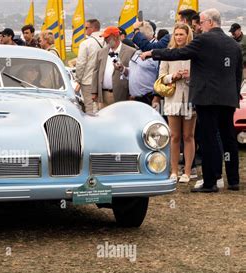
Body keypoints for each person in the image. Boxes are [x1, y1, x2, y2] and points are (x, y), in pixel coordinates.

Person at [142, 9, 242, 192]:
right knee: (228, 139)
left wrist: (152, 52)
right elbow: (237, 74)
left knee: (208, 139)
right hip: (228, 99)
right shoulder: (233, 44)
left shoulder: (202, 40)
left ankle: (210, 182)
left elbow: (178, 54)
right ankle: (234, 180)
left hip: (207, 98)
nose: (198, 26)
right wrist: (235, 96)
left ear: (210, 23)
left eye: (201, 22)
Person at [157, 23, 196, 183]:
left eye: (182, 34)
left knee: (188, 135)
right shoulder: (168, 53)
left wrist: (189, 77)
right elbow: (161, 77)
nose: (179, 37)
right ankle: (173, 171)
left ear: (188, 35)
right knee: (174, 136)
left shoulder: (194, 54)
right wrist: (174, 76)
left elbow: (200, 76)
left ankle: (187, 171)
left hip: (189, 98)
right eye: (177, 34)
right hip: (172, 99)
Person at [91, 26, 136, 109]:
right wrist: (94, 92)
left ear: (115, 37)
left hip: (121, 95)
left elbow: (134, 74)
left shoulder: (131, 51)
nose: (105, 40)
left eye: (107, 37)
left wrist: (132, 94)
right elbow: (95, 72)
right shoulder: (101, 52)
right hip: (103, 95)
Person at [75, 19, 104, 113]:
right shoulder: (106, 41)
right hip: (104, 80)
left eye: (86, 28)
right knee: (103, 107)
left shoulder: (86, 43)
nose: (85, 30)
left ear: (93, 28)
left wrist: (78, 79)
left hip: (88, 80)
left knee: (90, 107)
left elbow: (80, 64)